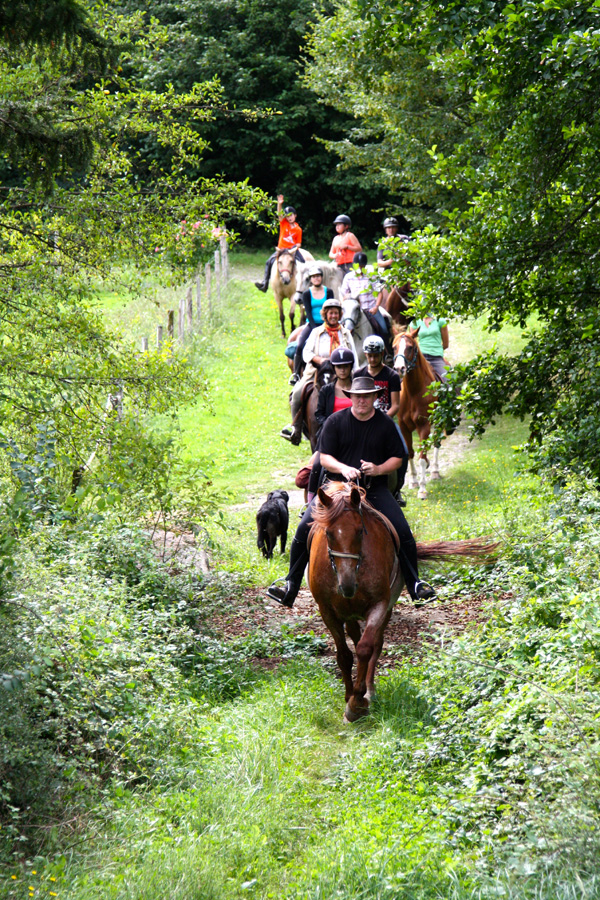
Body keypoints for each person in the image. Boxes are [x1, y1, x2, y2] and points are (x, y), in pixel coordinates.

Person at [267, 376, 437, 608]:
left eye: (367, 396)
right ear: (351, 397)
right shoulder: (335, 421)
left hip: (373, 488)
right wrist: (343, 468)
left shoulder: (385, 424)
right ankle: (290, 585)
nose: (362, 401)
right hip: (335, 488)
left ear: (375, 397)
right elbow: (324, 457)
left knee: (402, 530)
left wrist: (378, 469)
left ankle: (415, 585)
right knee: (303, 528)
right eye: (357, 396)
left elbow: (398, 458)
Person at [280, 298, 358, 445]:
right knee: (297, 393)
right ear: (325, 315)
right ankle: (295, 428)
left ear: (340, 314)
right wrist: (319, 360)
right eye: (330, 313)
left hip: (342, 372)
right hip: (318, 371)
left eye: (336, 313)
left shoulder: (346, 333)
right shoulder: (316, 332)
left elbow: (353, 354)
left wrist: (356, 374)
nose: (334, 316)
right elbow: (306, 353)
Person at [354, 334, 407, 504]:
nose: (372, 358)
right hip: (362, 419)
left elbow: (396, 405)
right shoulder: (359, 375)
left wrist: (381, 420)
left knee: (403, 452)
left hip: (386, 421)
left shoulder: (391, 376)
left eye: (376, 355)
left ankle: (397, 489)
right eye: (369, 355)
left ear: (382, 354)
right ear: (365, 355)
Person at [288, 265, 335, 386]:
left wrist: (326, 324)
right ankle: (296, 373)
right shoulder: (306, 294)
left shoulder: (328, 292)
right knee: (299, 345)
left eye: (318, 276)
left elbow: (331, 309)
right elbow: (308, 312)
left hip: (328, 323)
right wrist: (315, 329)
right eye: (314, 277)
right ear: (311, 279)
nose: (316, 279)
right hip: (311, 324)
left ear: (321, 278)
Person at [255, 195, 304, 292]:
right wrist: (279, 204)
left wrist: (294, 248)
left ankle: (304, 285)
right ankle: (265, 283)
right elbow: (279, 214)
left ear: (295, 215)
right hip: (281, 249)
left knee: (303, 263)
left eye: (291, 215)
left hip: (291, 250)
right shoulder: (284, 223)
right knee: (269, 262)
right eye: (287, 216)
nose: (289, 218)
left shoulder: (298, 229)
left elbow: (299, 243)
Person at [341, 251, 390, 344]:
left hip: (370, 309)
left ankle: (387, 353)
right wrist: (350, 296)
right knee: (340, 326)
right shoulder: (348, 277)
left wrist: (376, 307)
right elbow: (344, 294)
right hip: (353, 309)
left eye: (362, 266)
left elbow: (379, 293)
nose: (360, 268)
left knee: (383, 328)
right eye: (358, 266)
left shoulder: (371, 276)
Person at [413, 315, 450, 383]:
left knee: (447, 381)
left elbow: (445, 344)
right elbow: (411, 341)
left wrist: (435, 350)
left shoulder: (440, 320)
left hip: (436, 358)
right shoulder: (415, 322)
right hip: (421, 358)